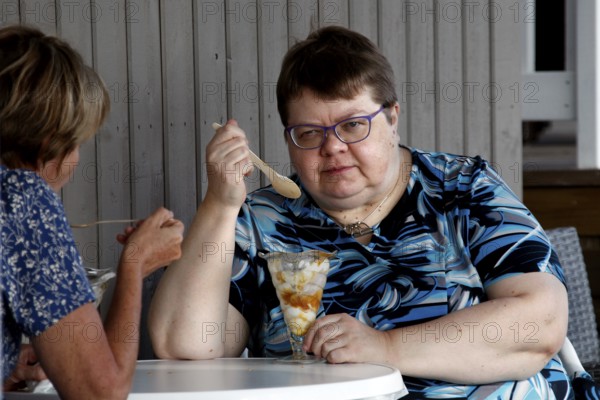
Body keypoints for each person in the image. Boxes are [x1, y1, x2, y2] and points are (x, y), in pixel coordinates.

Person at [148, 26, 572, 398]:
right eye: (309, 133)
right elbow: (183, 342)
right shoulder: (263, 221)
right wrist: (220, 204)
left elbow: (540, 323)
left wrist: (385, 349)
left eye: (353, 125)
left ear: (392, 118)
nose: (332, 147)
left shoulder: (462, 188)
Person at [0, 25, 184, 398]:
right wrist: (134, 264)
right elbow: (101, 393)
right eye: (77, 142)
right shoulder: (25, 201)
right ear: (50, 143)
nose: (77, 158)